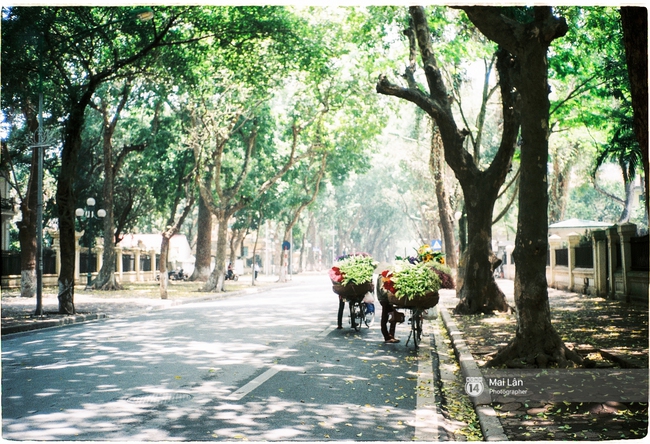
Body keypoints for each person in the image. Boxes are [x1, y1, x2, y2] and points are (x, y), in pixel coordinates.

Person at [376, 274, 399, 343]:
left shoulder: (390, 276)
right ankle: (387, 336)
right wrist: (390, 292)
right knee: (385, 317)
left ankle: (391, 335)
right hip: (384, 299)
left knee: (394, 315)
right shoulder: (381, 277)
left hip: (390, 299)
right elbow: (382, 291)